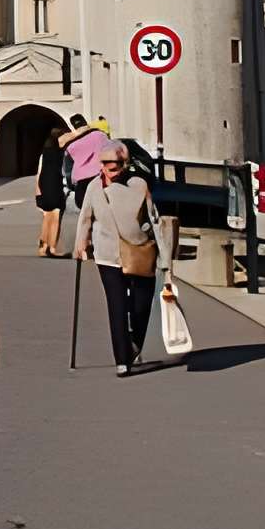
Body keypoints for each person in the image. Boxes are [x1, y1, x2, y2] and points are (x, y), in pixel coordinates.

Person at [72, 139, 172, 375]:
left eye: (115, 163)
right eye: (105, 163)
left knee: (140, 305)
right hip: (108, 254)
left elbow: (154, 220)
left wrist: (166, 259)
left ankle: (134, 343)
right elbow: (85, 217)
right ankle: (122, 359)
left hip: (140, 251)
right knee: (116, 306)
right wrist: (81, 243)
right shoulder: (94, 187)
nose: (110, 167)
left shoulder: (138, 185)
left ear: (125, 163)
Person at [32, 111, 86, 253]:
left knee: (47, 216)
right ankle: (53, 247)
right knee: (55, 216)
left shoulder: (45, 152)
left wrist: (37, 191)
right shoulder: (61, 152)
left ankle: (43, 247)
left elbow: (39, 172)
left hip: (44, 184)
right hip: (54, 184)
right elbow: (75, 135)